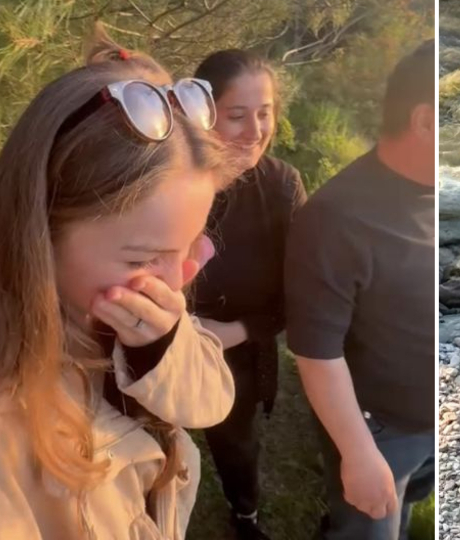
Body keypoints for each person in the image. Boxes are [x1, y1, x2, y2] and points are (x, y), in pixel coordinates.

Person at [0, 24, 237, 539]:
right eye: (147, 257)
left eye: (190, 247)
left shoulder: (139, 314)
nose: (179, 279)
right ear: (39, 233)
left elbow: (211, 403)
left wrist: (162, 348)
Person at [285, 39, 436, 540]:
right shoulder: (335, 219)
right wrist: (358, 452)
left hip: (434, 420)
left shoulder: (443, 191)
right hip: (379, 431)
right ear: (426, 122)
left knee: (406, 506)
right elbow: (316, 353)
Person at [188, 49, 307, 540]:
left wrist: (233, 331)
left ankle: (245, 515)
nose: (256, 130)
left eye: (265, 113)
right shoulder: (168, 177)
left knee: (235, 438)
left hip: (237, 345)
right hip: (153, 332)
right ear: (202, 113)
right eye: (237, 115)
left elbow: (301, 290)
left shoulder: (281, 187)